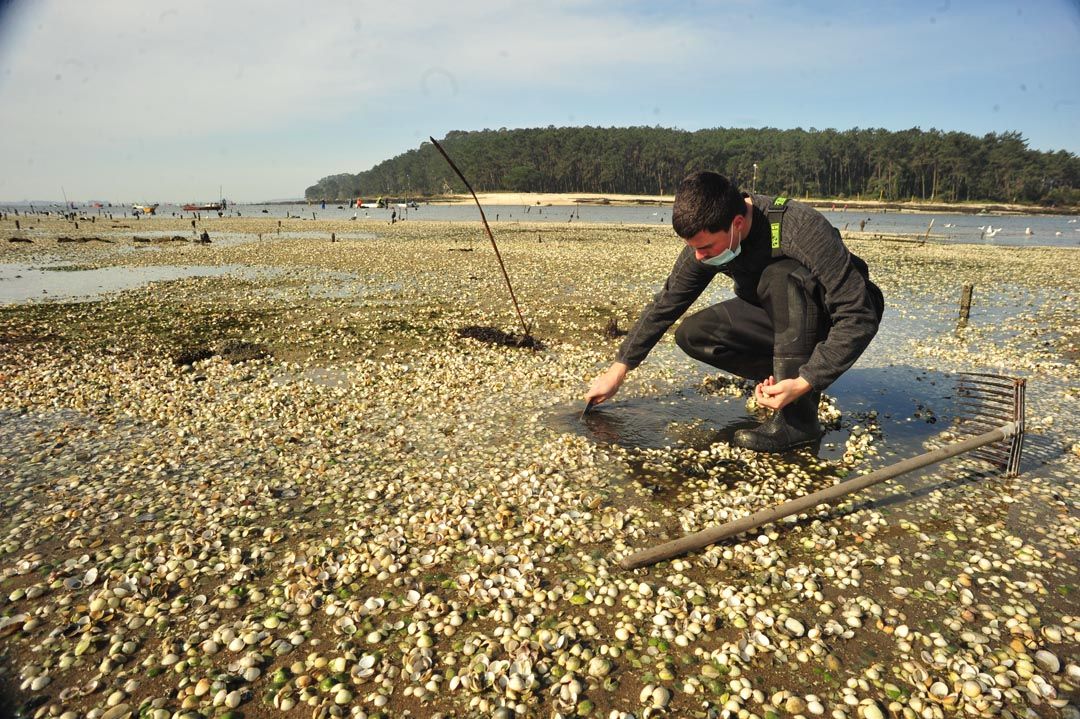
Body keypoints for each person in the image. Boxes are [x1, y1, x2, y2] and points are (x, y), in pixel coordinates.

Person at [585, 171, 884, 453]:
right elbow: (667, 302)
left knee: (779, 276)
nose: (699, 257)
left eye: (706, 248)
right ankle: (781, 376)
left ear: (737, 223)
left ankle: (798, 422)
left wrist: (806, 380)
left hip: (832, 316)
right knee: (694, 334)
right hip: (780, 316)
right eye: (694, 249)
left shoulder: (801, 228)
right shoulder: (709, 236)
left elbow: (859, 314)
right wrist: (619, 369)